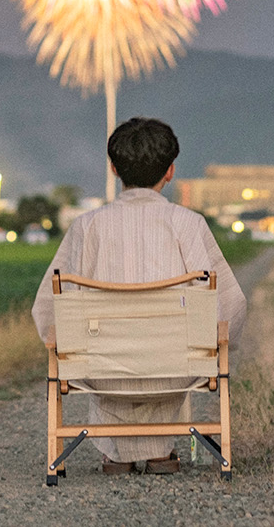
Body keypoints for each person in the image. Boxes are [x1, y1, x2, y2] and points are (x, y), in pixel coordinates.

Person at [31, 117, 248, 475]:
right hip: (178, 368)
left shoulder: (86, 227)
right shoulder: (189, 224)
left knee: (108, 352)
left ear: (114, 168)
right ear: (171, 171)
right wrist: (216, 346)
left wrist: (64, 346)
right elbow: (231, 303)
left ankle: (118, 454)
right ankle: (160, 450)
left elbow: (48, 306)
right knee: (175, 348)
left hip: (99, 370)